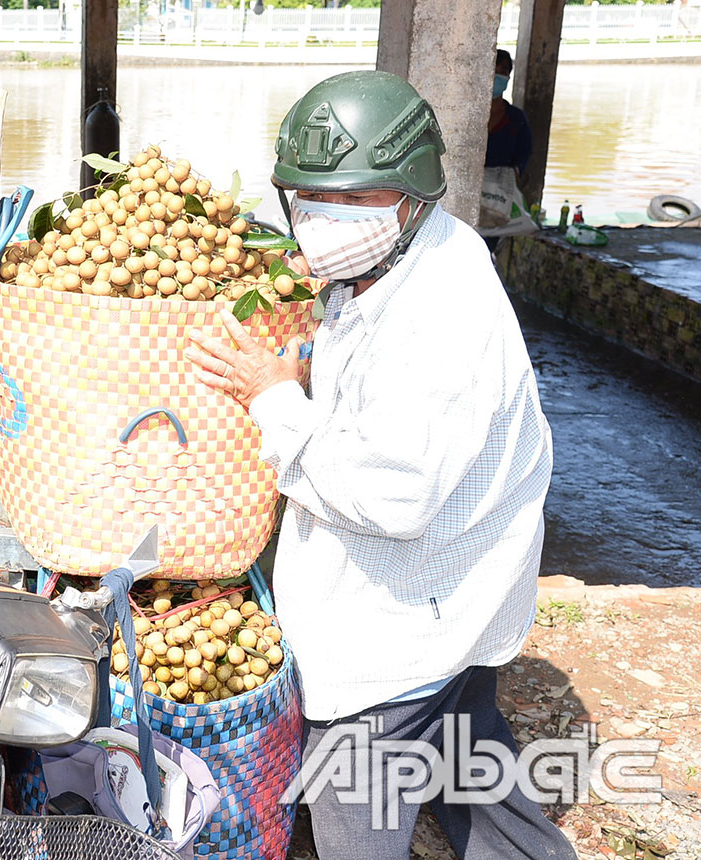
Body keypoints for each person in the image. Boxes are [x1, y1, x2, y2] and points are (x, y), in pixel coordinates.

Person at [186, 71, 573, 860]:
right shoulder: (407, 255)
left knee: (357, 823)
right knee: (478, 780)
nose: (327, 221)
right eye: (310, 198)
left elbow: (390, 493)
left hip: (396, 634)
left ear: (413, 194)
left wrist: (271, 398)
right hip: (458, 600)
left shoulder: (441, 316)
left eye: (356, 201)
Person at [487, 49, 533, 180]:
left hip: (501, 190)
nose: (497, 74)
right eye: (494, 70)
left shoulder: (517, 118)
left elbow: (525, 152)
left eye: (503, 71)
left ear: (508, 77)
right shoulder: (469, 114)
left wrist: (515, 174)